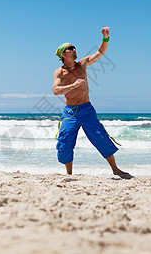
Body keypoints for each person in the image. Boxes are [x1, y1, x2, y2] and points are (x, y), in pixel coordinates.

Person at [52, 27, 132, 179]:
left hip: (86, 109)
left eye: (74, 47)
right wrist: (73, 86)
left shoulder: (82, 64)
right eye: (70, 48)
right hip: (70, 112)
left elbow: (100, 53)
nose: (74, 49)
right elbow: (55, 90)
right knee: (64, 142)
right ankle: (69, 174)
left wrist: (105, 38)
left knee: (100, 138)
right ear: (63, 54)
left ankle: (115, 169)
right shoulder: (59, 72)